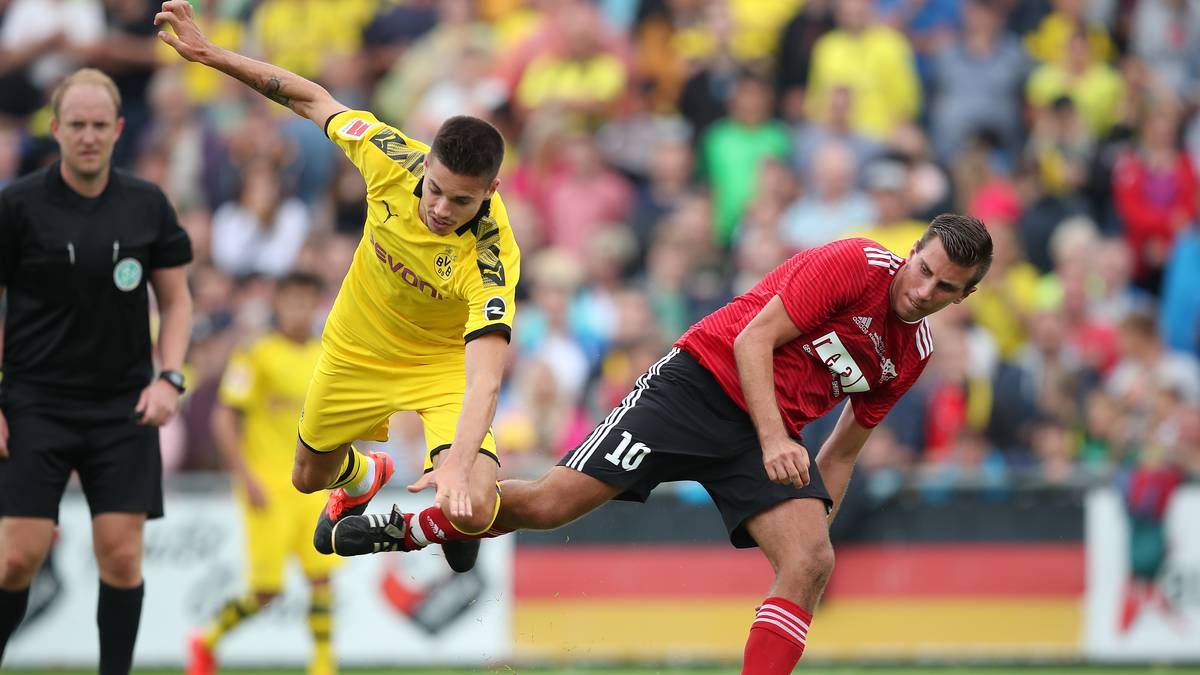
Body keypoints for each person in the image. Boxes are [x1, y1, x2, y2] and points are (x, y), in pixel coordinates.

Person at [335, 214, 992, 675]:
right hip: (699, 384)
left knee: (813, 561)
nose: (923, 289)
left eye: (944, 287)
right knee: (549, 505)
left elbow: (842, 453)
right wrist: (771, 438)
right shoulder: (856, 264)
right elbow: (752, 339)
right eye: (924, 268)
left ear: (964, 295)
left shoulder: (914, 353)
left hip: (762, 434)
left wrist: (812, 527)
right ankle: (411, 525)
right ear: (913, 250)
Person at [155, 0, 520, 575]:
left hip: (441, 365)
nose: (441, 208)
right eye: (436, 190)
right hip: (357, 349)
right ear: (426, 165)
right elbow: (311, 98)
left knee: (473, 507)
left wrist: (457, 463)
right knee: (308, 477)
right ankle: (362, 475)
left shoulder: (494, 257)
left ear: (492, 189)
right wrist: (210, 53)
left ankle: (406, 528)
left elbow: (487, 377)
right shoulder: (391, 158)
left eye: (462, 200)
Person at [0, 68, 194, 672]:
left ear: (118, 129)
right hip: (33, 402)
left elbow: (178, 301)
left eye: (98, 125)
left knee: (121, 557)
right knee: (14, 560)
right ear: (55, 129)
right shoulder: (17, 204)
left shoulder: (147, 204)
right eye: (76, 124)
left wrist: (171, 378)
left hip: (122, 404)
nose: (87, 135)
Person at [187, 272, 339, 675]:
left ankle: (323, 666)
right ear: (278, 305)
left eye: (307, 302)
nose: (299, 310)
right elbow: (224, 421)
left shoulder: (327, 355)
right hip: (267, 486)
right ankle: (207, 640)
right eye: (292, 302)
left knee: (322, 576)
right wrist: (245, 477)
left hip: (314, 488)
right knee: (266, 590)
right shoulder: (256, 353)